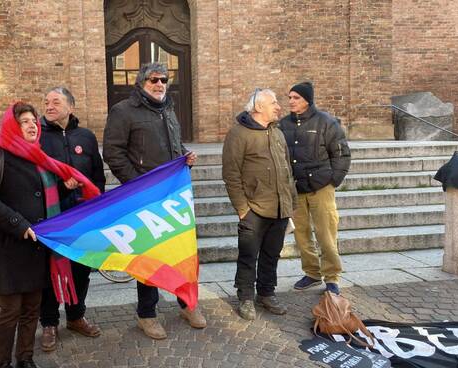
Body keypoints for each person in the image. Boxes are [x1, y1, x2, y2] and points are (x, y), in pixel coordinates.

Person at [0, 102, 99, 368]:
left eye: (33, 121)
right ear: (11, 126)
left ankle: (25, 359)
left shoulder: (38, 157)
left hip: (38, 246)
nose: (32, 125)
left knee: (32, 308)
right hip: (9, 247)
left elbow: (44, 198)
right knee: (10, 311)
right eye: (24, 121)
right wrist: (19, 224)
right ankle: (2, 363)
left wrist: (65, 189)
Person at [102, 62, 206, 340]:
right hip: (145, 197)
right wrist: (138, 184)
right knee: (149, 256)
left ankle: (187, 303)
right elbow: (113, 152)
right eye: (153, 80)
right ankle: (146, 313)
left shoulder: (168, 109)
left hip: (173, 196)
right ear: (141, 83)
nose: (160, 84)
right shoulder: (123, 111)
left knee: (183, 251)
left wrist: (185, 156)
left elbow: (173, 146)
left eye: (164, 80)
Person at [38, 87, 105, 352]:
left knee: (81, 269)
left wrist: (100, 206)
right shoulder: (39, 137)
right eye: (46, 102)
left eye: (56, 102)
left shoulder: (86, 137)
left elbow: (98, 176)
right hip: (53, 216)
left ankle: (76, 316)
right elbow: (34, 177)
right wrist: (60, 184)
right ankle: (49, 322)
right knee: (50, 271)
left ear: (71, 107)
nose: (49, 106)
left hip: (84, 216)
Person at [222, 88, 297, 320]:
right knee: (248, 256)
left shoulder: (277, 133)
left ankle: (266, 292)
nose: (278, 107)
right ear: (258, 108)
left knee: (271, 254)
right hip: (253, 209)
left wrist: (290, 201)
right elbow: (231, 174)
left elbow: (287, 168)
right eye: (273, 103)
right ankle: (245, 297)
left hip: (280, 207)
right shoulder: (239, 133)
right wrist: (243, 209)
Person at [278, 82, 351, 295]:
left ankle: (331, 276)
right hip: (296, 190)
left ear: (307, 100)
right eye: (289, 97)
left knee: (326, 234)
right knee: (301, 235)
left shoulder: (327, 123)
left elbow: (341, 154)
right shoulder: (282, 125)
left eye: (296, 98)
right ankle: (311, 273)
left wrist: (332, 180)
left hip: (321, 188)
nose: (291, 101)